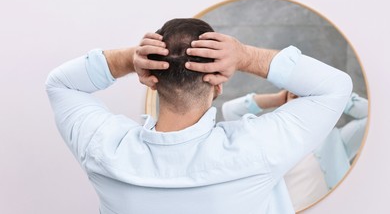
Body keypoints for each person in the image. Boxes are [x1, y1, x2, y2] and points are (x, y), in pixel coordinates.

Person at [45, 18, 352, 214]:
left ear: (151, 80)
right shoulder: (257, 149)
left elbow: (61, 83)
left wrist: (129, 58)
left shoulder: (104, 150)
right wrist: (245, 55)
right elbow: (334, 88)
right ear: (218, 83)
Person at [222, 90, 368, 211]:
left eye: (308, 98)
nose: (301, 102)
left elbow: (372, 117)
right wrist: (277, 98)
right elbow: (230, 111)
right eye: (295, 97)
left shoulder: (334, 141)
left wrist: (334, 97)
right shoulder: (268, 138)